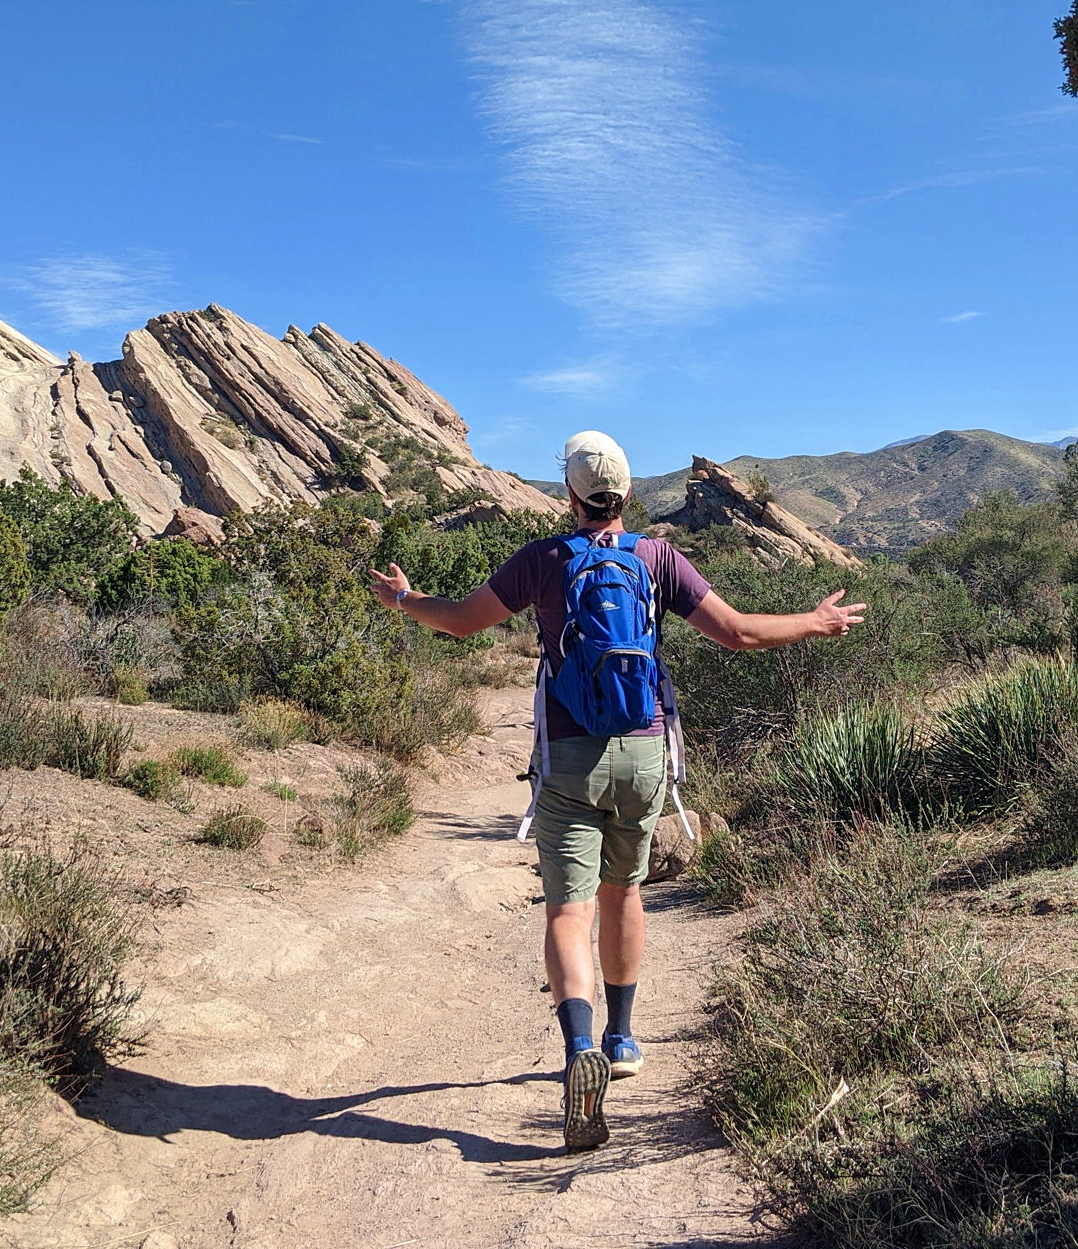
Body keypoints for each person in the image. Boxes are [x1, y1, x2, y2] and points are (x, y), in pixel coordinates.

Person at [368, 430, 865, 1152]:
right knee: (623, 893)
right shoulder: (658, 558)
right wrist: (815, 623)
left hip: (570, 755)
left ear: (569, 496)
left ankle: (579, 1052)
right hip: (644, 751)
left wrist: (406, 598)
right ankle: (623, 1038)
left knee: (567, 912)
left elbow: (460, 623)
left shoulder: (543, 560)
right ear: (628, 494)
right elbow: (738, 635)